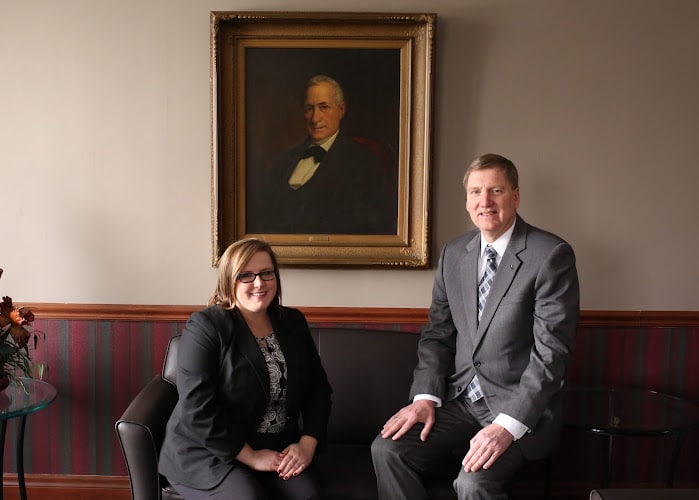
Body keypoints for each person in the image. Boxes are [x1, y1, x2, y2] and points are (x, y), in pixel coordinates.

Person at [371, 153, 580, 500]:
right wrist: (425, 397)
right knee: (388, 451)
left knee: (472, 484)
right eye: (475, 192)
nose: (485, 201)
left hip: (519, 406)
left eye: (496, 190)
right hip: (461, 400)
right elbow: (437, 335)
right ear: (467, 200)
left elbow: (551, 354)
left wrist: (506, 426)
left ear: (516, 196)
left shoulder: (550, 255)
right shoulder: (454, 254)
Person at [159, 238, 333, 500]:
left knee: (307, 495)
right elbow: (197, 407)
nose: (259, 283)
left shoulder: (293, 322)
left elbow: (318, 390)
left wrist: (308, 443)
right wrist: (251, 456)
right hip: (209, 451)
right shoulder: (206, 326)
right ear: (229, 280)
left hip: (276, 448)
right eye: (246, 275)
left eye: (266, 273)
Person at [247, 74, 397, 235]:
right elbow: (264, 218)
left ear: (341, 110)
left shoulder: (364, 162)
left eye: (324, 107)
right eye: (309, 109)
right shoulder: (283, 162)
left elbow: (372, 226)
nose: (315, 118)